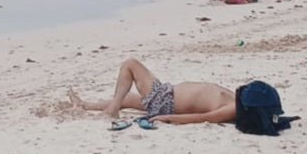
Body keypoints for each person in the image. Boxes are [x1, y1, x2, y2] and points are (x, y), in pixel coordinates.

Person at [68, 58, 237, 124]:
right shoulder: (238, 102)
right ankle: (84, 104)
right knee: (127, 99)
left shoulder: (234, 108)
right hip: (167, 98)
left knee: (130, 64)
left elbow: (203, 118)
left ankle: (112, 110)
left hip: (165, 99)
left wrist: (167, 118)